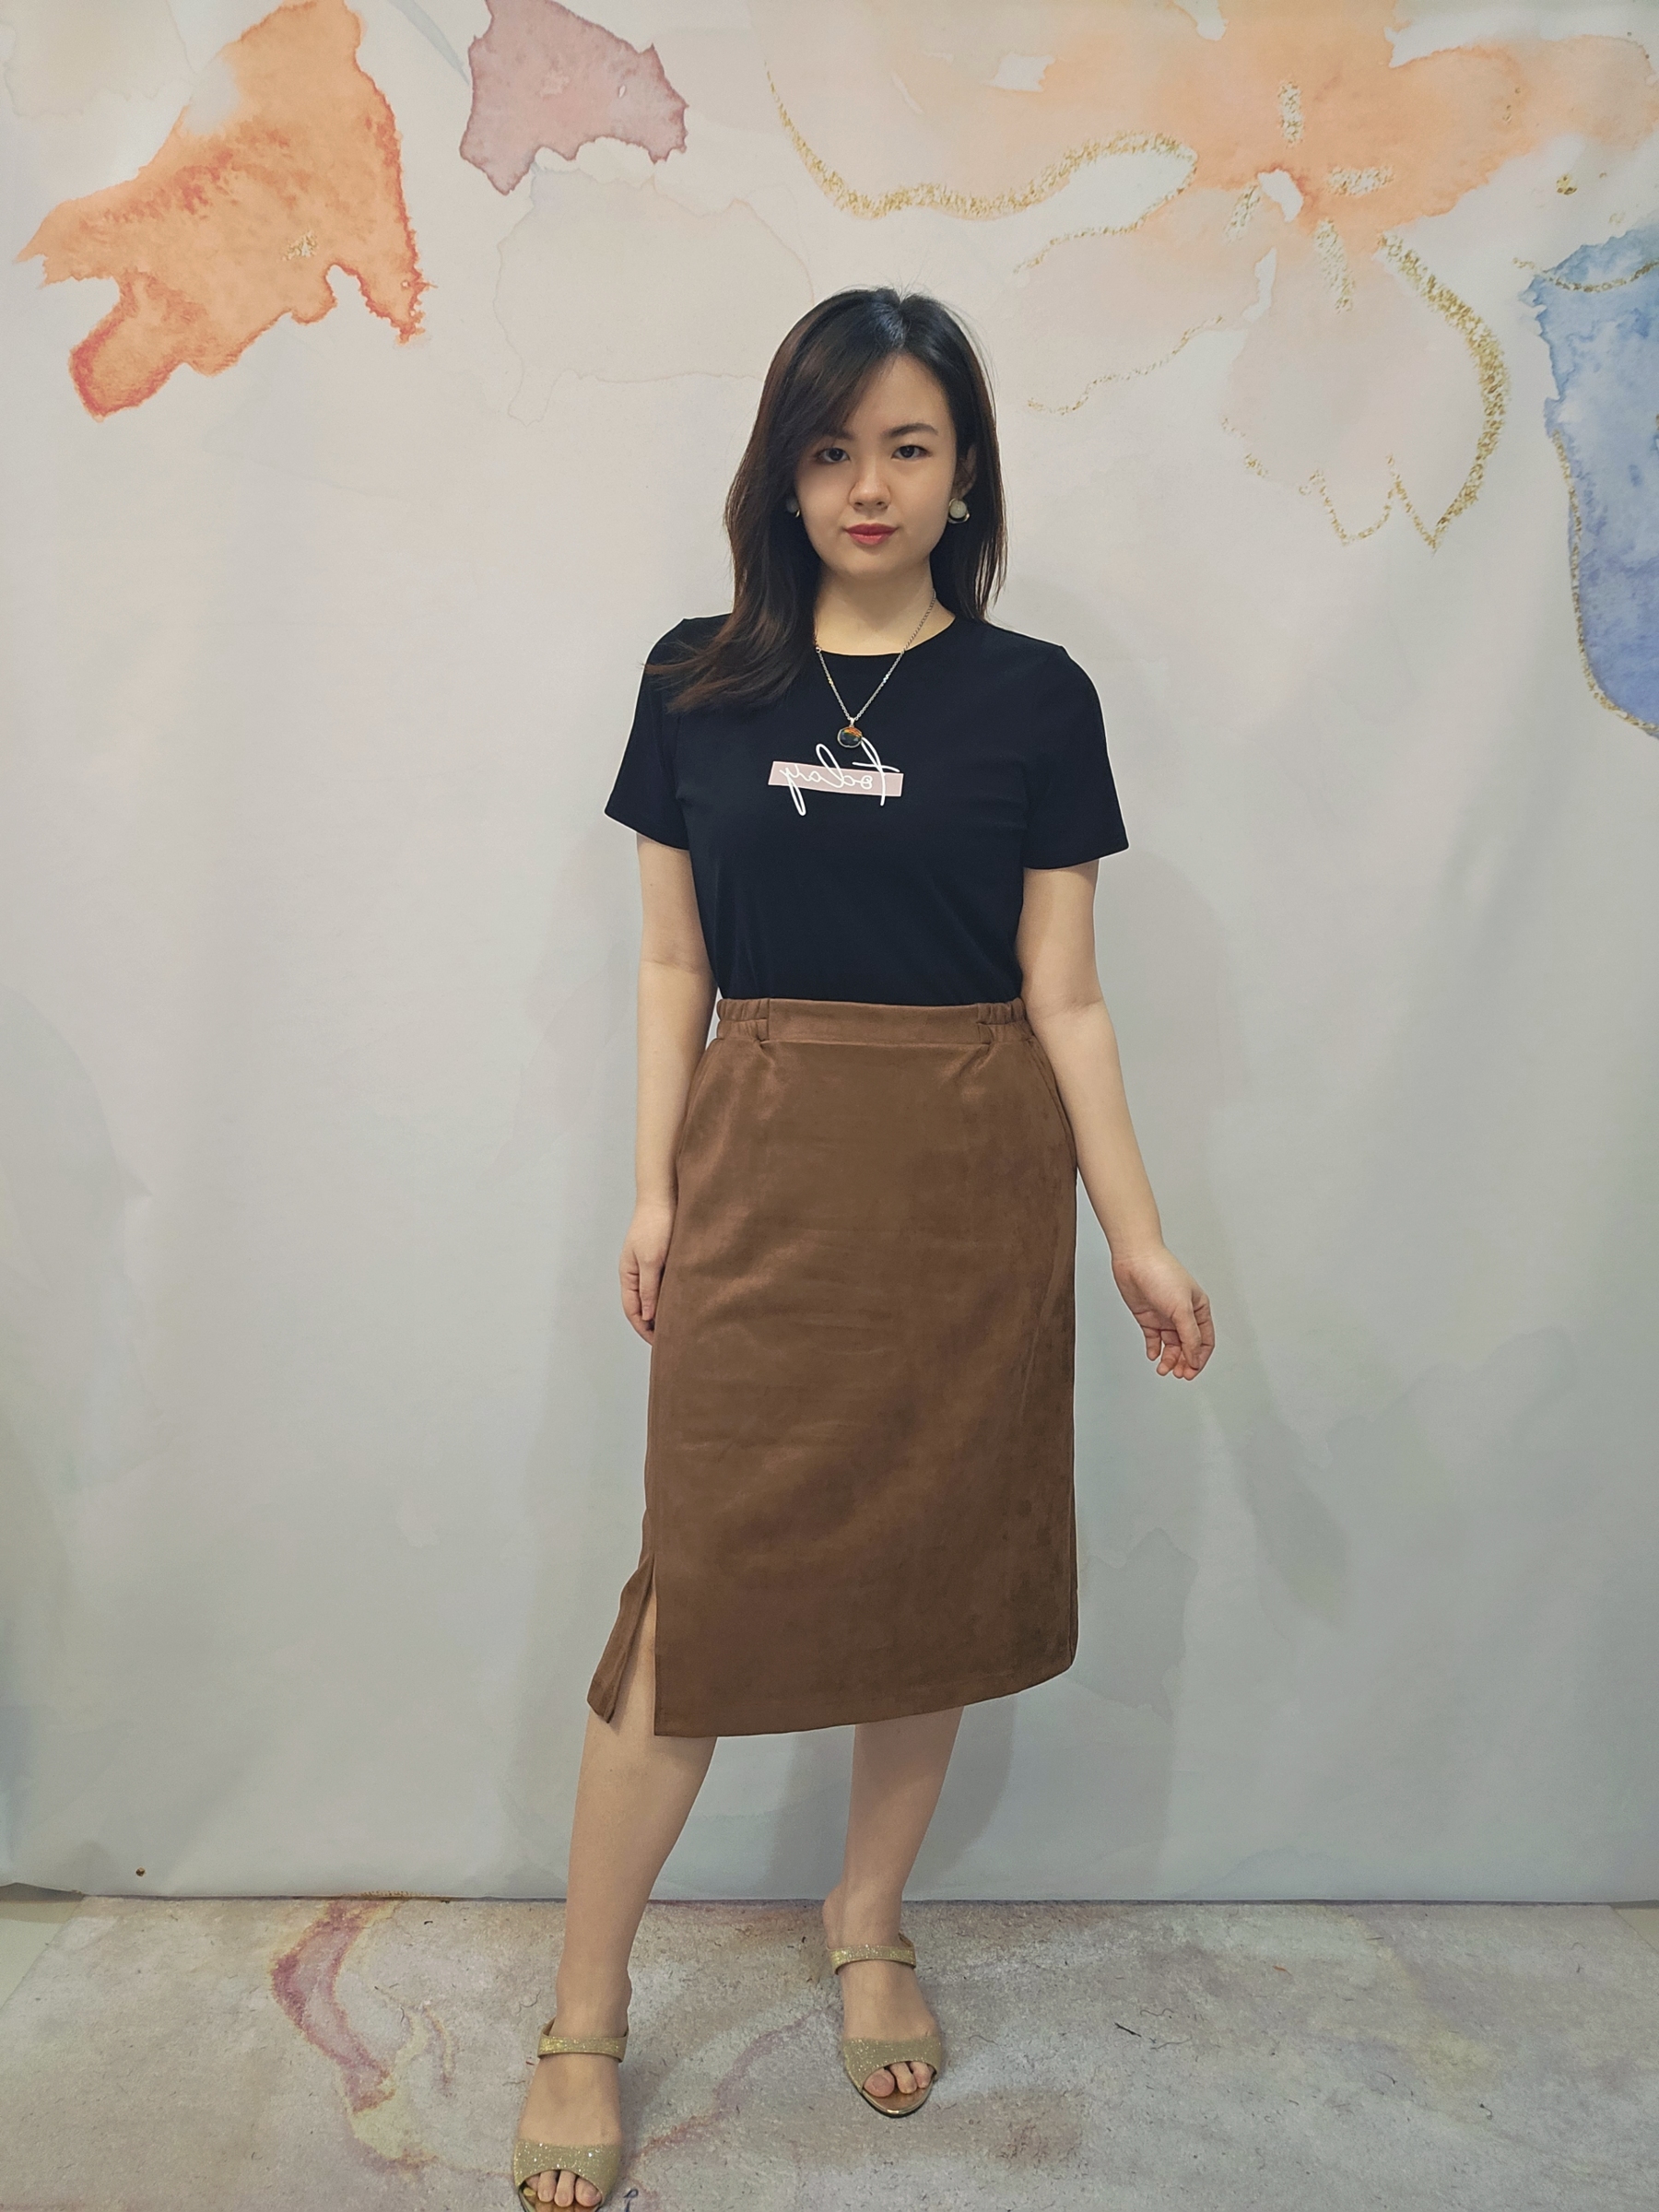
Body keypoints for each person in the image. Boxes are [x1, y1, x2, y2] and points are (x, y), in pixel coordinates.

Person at [512, 287, 1215, 2208]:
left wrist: (1138, 1237)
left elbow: (1068, 995)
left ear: (964, 467)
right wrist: (655, 1192)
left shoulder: (1035, 698)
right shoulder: (695, 682)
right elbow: (672, 963)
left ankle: (867, 1917)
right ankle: (584, 2010)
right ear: (783, 471)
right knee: (693, 1605)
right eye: (831, 450)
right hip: (765, 1166)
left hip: (972, 1184)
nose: (869, 486)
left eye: (909, 446)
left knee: (932, 1573)